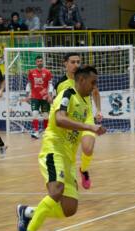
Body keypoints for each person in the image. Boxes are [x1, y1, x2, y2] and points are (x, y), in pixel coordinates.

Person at [15, 66, 106, 231]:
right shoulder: (67, 93)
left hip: (69, 158)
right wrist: (88, 127)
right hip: (54, 149)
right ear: (81, 80)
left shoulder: (87, 104)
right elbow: (59, 119)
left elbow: (87, 138)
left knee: (70, 208)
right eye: (93, 82)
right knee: (56, 189)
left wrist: (91, 139)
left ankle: (27, 212)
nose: (95, 86)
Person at [54, 53, 102, 189]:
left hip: (86, 117)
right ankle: (69, 177)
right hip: (71, 121)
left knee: (87, 148)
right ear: (65, 63)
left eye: (78, 62)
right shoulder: (61, 84)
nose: (76, 65)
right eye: (72, 62)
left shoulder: (85, 77)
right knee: (69, 154)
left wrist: (98, 110)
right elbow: (59, 107)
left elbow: (96, 93)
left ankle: (84, 170)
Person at [24, 55, 53, 139]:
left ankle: (46, 132)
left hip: (44, 97)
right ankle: (36, 132)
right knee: (34, 114)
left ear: (42, 62)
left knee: (45, 115)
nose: (40, 62)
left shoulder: (47, 72)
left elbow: (50, 84)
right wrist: (28, 95)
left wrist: (50, 95)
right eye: (38, 61)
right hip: (34, 97)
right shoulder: (31, 72)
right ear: (36, 62)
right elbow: (29, 84)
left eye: (41, 61)